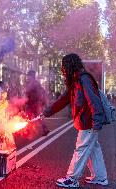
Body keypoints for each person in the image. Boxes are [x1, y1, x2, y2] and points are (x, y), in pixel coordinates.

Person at [42, 53, 107, 188]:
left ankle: (72, 178)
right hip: (86, 121)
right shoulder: (76, 81)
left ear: (70, 66)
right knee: (93, 149)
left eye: (64, 67)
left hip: (88, 122)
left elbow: (94, 100)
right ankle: (100, 177)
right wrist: (47, 112)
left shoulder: (84, 79)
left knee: (82, 149)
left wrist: (97, 121)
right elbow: (63, 100)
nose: (63, 70)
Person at [25, 70, 50, 136]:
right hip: (31, 103)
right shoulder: (31, 83)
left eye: (29, 75)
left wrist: (43, 101)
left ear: (32, 76)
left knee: (34, 117)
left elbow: (42, 91)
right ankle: (28, 131)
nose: (28, 77)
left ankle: (44, 129)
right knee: (30, 117)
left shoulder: (35, 83)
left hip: (34, 103)